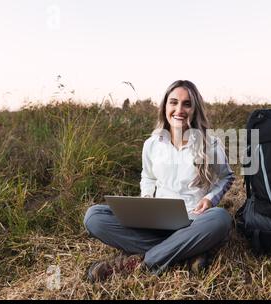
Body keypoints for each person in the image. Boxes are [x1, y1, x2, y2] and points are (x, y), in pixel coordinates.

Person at [83, 80, 235, 282]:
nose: (179, 109)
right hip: (155, 221)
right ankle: (187, 251)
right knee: (94, 217)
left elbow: (226, 176)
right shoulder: (152, 144)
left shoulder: (211, 144)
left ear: (195, 109)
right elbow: (148, 176)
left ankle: (141, 262)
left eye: (187, 104)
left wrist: (209, 199)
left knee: (220, 219)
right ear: (165, 107)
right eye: (173, 102)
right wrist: (145, 200)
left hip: (193, 222)